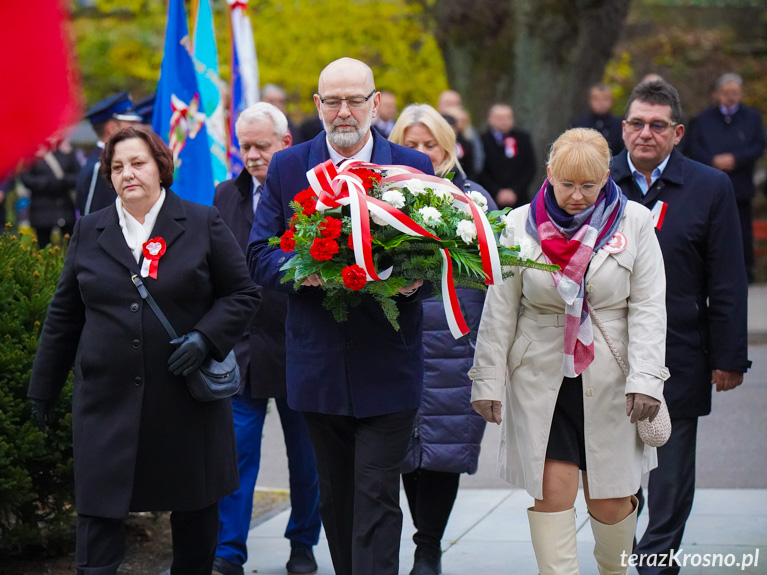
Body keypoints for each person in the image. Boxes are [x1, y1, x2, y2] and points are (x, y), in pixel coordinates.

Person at [28, 125, 261, 575]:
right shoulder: (89, 229)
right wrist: (43, 388)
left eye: (137, 163)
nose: (127, 173)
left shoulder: (200, 221)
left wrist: (205, 338)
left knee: (194, 514)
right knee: (98, 515)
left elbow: (243, 294)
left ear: (160, 167)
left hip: (184, 402)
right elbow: (64, 314)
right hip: (106, 401)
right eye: (117, 167)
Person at [247, 57, 434, 575]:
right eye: (333, 101)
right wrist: (304, 270)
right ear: (317, 106)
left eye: (356, 100)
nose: (344, 111)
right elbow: (258, 253)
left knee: (376, 496)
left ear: (376, 103)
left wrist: (418, 276)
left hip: (389, 364)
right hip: (318, 365)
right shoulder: (288, 168)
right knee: (336, 500)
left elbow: (442, 257)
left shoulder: (413, 169)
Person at [471, 127, 668, 574]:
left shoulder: (635, 221)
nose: (577, 196)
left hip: (614, 376)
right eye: (567, 184)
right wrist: (486, 381)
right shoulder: (517, 223)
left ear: (606, 179)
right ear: (549, 175)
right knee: (553, 492)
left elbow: (650, 308)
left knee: (613, 499)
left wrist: (647, 378)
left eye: (589, 186)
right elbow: (499, 308)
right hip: (540, 377)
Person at [610, 80, 751, 575]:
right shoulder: (595, 183)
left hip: (680, 351)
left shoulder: (710, 188)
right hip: (604, 352)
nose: (645, 133)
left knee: (669, 471)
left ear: (677, 133)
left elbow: (728, 279)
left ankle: (655, 561)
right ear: (623, 128)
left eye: (657, 125)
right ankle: (624, 545)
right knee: (614, 470)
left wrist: (730, 355)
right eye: (636, 124)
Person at [211, 102, 322, 575]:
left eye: (263, 146)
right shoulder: (224, 196)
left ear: (286, 145)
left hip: (298, 345)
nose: (253, 155)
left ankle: (303, 543)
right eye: (246, 146)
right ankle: (229, 551)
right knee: (235, 455)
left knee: (307, 459)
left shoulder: (315, 196)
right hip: (242, 351)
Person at [389, 103, 496, 575]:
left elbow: (496, 276)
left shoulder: (473, 199)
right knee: (404, 451)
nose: (420, 152)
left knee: (443, 450)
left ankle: (428, 546)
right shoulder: (376, 198)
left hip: (454, 342)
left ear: (447, 148)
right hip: (396, 340)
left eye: (428, 144)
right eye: (410, 144)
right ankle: (416, 540)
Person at [688, 73, 766, 284]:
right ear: (718, 94)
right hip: (709, 185)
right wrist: (713, 160)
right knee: (710, 230)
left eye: (735, 93)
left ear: (740, 94)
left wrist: (736, 159)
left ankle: (745, 273)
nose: (730, 97)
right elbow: (693, 147)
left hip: (740, 185)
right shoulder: (702, 119)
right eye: (726, 93)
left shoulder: (752, 117)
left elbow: (759, 145)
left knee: (742, 231)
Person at [75, 91, 142, 217]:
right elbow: (93, 220)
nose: (137, 128)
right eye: (131, 124)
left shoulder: (110, 162)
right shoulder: (99, 168)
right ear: (111, 128)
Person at [21, 140, 80, 247]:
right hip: (41, 208)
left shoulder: (66, 152)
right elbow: (26, 178)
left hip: (64, 207)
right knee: (44, 245)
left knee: (70, 244)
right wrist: (47, 182)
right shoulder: (32, 154)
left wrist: (63, 181)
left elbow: (79, 175)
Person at [477, 103, 537, 208]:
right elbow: (479, 169)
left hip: (519, 198)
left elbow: (530, 167)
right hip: (490, 199)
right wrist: (497, 192)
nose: (504, 121)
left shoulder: (523, 138)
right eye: (500, 118)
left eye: (508, 118)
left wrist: (515, 190)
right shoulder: (481, 140)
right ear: (490, 119)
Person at [438, 89, 485, 176]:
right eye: (448, 103)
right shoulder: (432, 127)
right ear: (439, 106)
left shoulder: (469, 131)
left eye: (455, 104)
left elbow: (477, 160)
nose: (452, 107)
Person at [573, 84, 625, 156]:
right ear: (590, 100)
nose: (601, 103)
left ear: (612, 100)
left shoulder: (619, 125)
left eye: (605, 99)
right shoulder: (580, 124)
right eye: (596, 99)